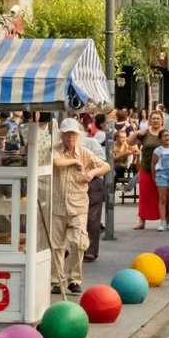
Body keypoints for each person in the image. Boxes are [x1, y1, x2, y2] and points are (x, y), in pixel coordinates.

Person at [52, 119, 110, 294]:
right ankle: (56, 280)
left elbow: (105, 165)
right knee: (56, 246)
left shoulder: (84, 152)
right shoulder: (55, 151)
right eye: (66, 134)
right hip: (57, 205)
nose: (69, 137)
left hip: (78, 204)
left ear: (77, 135)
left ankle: (74, 278)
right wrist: (74, 163)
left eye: (72, 134)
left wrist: (91, 173)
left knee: (78, 242)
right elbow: (56, 162)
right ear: (61, 135)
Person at [82, 115, 112, 262]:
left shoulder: (91, 143)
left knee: (92, 218)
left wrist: (91, 172)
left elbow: (104, 164)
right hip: (76, 182)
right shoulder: (62, 145)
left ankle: (90, 250)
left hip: (93, 182)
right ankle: (81, 248)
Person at [133, 111, 167, 230]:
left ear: (162, 120)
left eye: (158, 118)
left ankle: (165, 220)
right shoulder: (145, 133)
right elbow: (129, 141)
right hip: (146, 169)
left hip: (163, 171)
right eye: (153, 118)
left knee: (163, 196)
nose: (156, 120)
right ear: (149, 120)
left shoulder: (165, 133)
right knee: (144, 196)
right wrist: (137, 132)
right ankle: (142, 221)